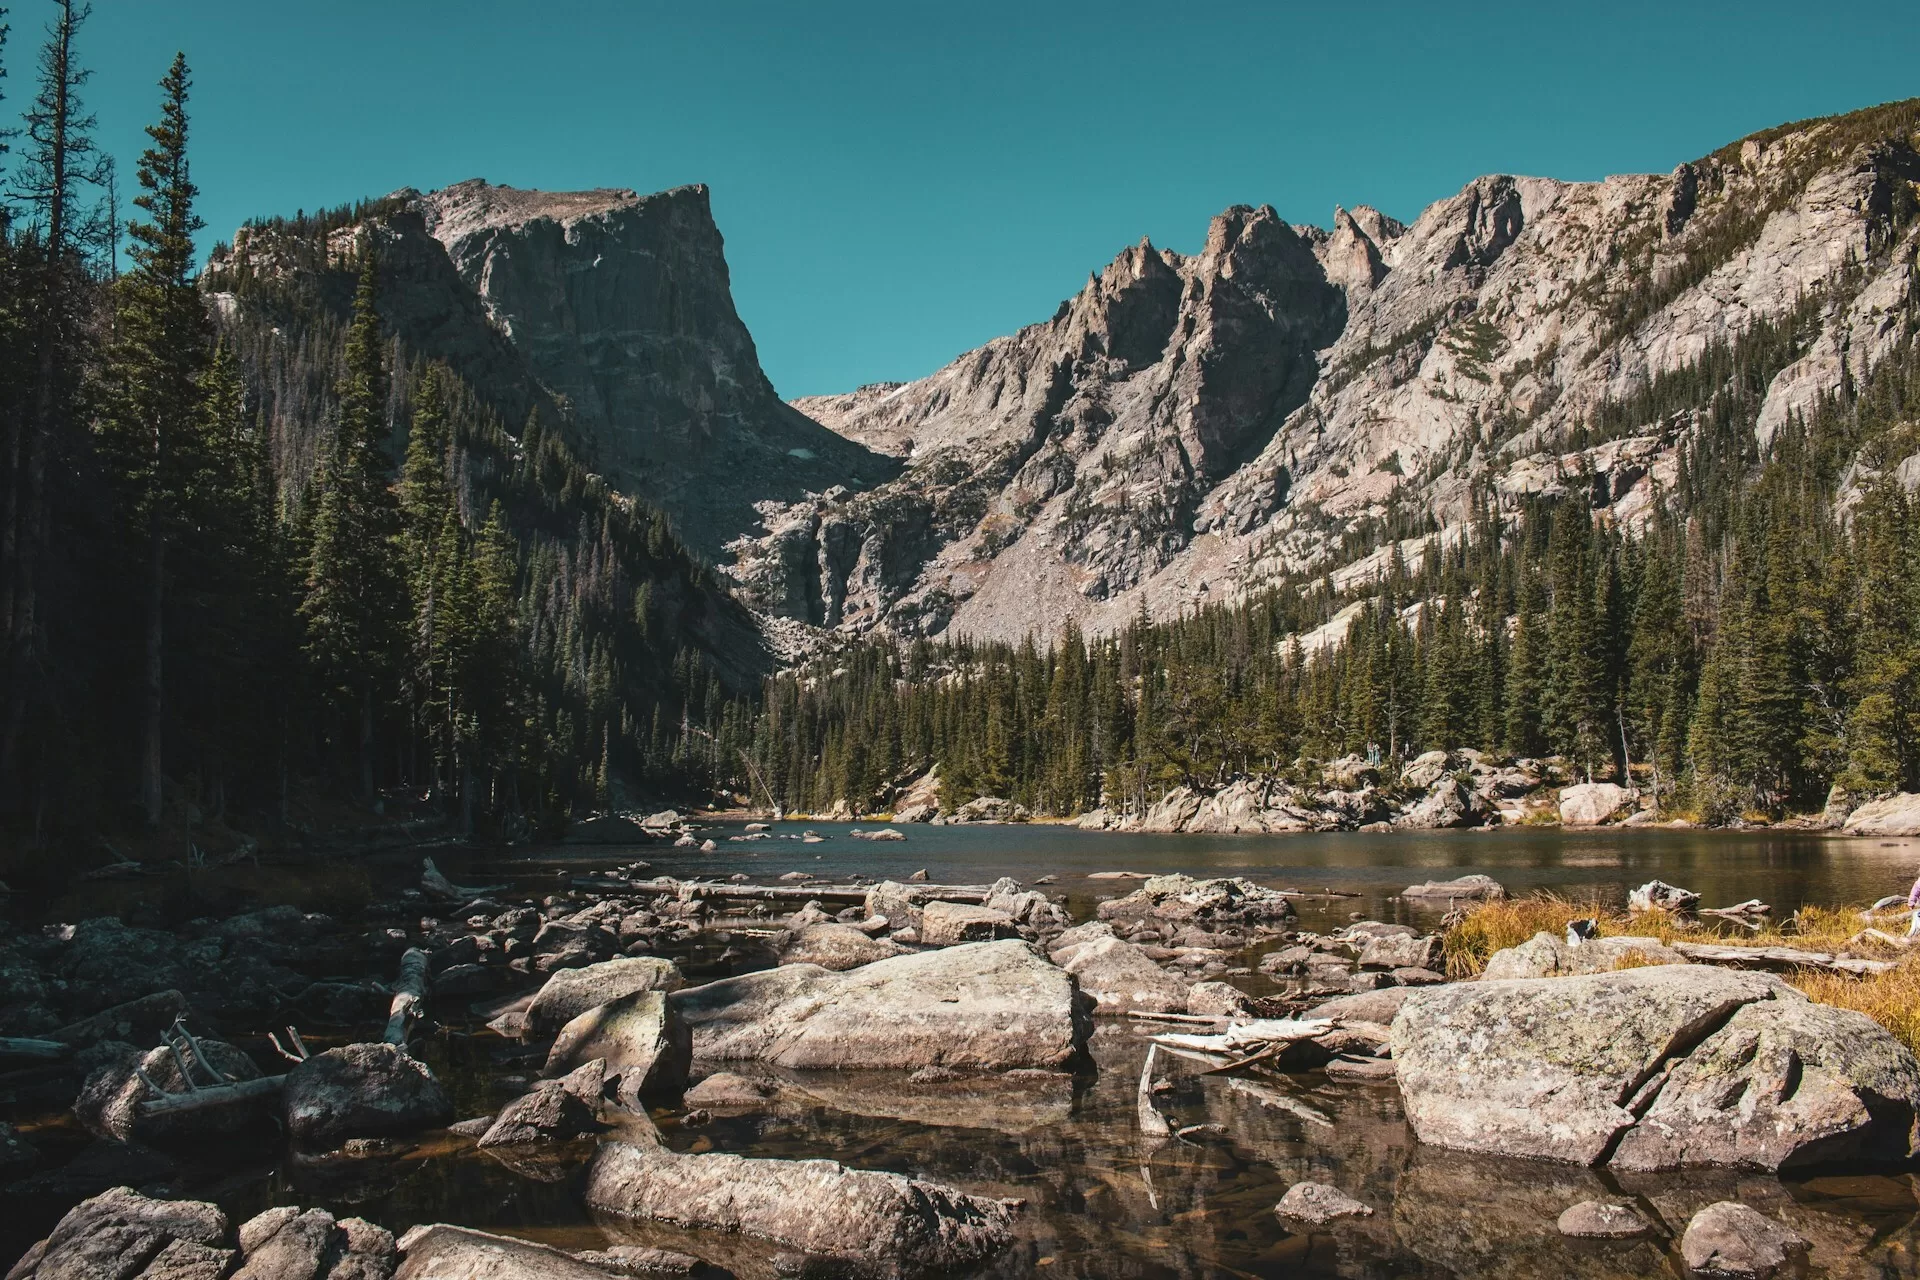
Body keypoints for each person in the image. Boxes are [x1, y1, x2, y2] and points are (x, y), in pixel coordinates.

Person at [1907, 872, 1920, 937]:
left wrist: (1911, 903)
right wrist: (1911, 903)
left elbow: (1914, 894)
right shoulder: (1918, 883)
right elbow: (1914, 894)